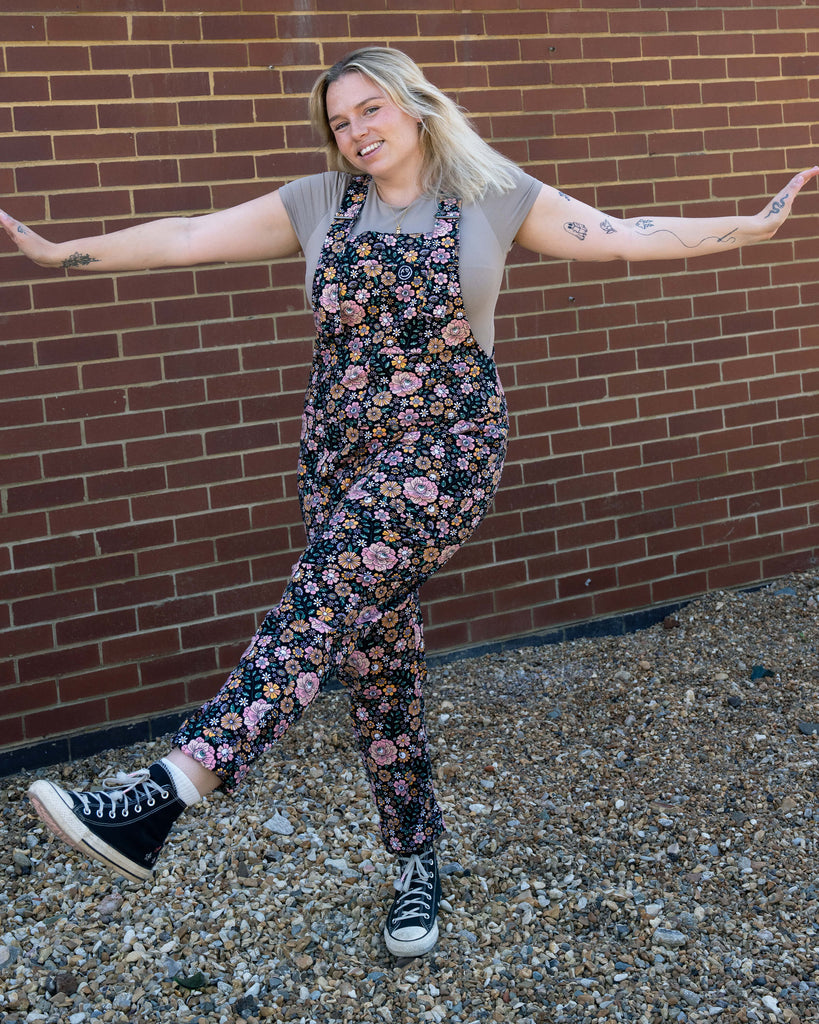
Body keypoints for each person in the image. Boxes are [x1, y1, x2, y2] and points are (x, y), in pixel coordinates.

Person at [3, 46, 816, 959]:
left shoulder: (495, 195)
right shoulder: (317, 204)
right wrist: (60, 254)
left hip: (445, 450)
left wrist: (747, 230)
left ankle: (170, 787)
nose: (355, 131)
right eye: (340, 121)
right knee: (377, 671)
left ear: (415, 105)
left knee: (318, 602)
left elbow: (620, 231)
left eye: (369, 109)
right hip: (339, 458)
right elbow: (187, 236)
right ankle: (415, 861)